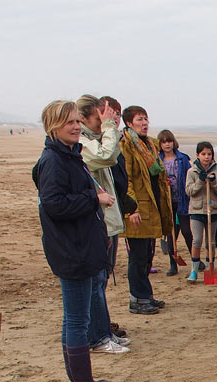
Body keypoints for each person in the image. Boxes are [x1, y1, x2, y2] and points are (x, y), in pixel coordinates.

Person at [31, 100, 118, 382]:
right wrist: (95, 200)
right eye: (69, 122)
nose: (76, 127)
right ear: (53, 126)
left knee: (75, 318)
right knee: (78, 319)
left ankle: (80, 378)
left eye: (77, 121)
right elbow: (53, 204)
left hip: (82, 245)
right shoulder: (53, 161)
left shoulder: (70, 155)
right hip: (72, 250)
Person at [77, 94, 128, 354]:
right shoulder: (83, 143)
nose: (106, 123)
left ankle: (103, 330)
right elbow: (107, 156)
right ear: (84, 117)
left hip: (107, 220)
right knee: (96, 281)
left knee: (102, 280)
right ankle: (96, 337)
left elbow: (112, 158)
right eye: (101, 119)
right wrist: (109, 128)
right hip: (96, 221)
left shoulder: (94, 140)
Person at [119, 105, 170, 315]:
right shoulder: (127, 146)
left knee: (148, 254)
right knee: (138, 256)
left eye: (146, 119)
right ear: (129, 123)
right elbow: (126, 179)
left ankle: (146, 295)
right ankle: (137, 298)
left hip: (152, 206)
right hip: (138, 208)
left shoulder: (149, 144)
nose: (144, 123)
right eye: (139, 119)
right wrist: (132, 209)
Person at [183, 141, 217, 283]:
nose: (206, 157)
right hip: (196, 211)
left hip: (212, 211)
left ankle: (210, 267)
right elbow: (189, 191)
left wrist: (213, 182)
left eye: (209, 154)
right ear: (198, 155)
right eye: (203, 154)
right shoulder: (192, 172)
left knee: (211, 242)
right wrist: (200, 181)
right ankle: (194, 270)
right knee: (197, 240)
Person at [157, 130, 191, 274]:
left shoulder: (182, 159)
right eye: (164, 142)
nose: (167, 144)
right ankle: (173, 264)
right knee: (171, 234)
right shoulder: (157, 160)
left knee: (187, 231)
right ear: (160, 144)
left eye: (169, 141)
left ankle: (195, 259)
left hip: (182, 200)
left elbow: (190, 176)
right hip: (167, 202)